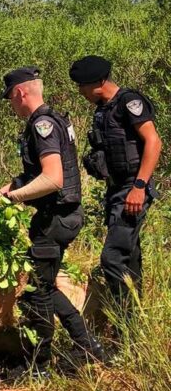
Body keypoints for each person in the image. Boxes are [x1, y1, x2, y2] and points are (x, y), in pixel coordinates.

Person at [0, 67, 104, 378]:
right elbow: (30, 176)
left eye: (10, 97)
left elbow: (52, 179)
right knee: (45, 287)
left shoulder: (42, 125)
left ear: (20, 93)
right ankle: (88, 346)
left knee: (34, 291)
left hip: (56, 218)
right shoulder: (51, 120)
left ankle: (38, 366)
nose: (11, 104)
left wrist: (11, 199)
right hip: (57, 218)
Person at [69, 55, 161, 315]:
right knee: (128, 256)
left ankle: (122, 325)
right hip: (116, 190)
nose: (80, 92)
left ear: (99, 82)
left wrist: (139, 187)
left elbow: (154, 142)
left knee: (112, 259)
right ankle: (135, 323)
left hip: (132, 188)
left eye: (83, 86)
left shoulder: (128, 102)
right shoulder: (103, 109)